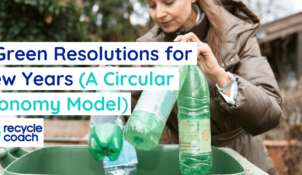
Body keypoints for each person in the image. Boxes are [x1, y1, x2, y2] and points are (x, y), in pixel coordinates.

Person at [92, 0, 283, 174]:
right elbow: (130, 116)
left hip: (242, 159)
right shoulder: (148, 46)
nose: (159, 13)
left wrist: (219, 75)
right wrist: (108, 92)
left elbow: (271, 115)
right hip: (186, 162)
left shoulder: (237, 33)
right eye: (152, 5)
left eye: (168, 2)